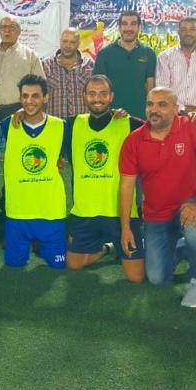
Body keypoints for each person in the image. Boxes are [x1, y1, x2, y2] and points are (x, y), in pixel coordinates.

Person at [119, 87, 196, 308]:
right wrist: (126, 227)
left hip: (191, 203)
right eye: (150, 104)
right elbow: (127, 186)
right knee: (157, 277)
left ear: (176, 109)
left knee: (193, 225)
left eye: (162, 104)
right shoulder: (134, 140)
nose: (154, 110)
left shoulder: (193, 126)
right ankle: (186, 247)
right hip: (157, 214)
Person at [63, 75, 143, 277]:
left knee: (136, 277)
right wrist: (20, 113)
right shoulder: (71, 124)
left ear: (111, 97)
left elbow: (160, 125)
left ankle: (142, 241)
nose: (97, 98)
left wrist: (192, 118)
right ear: (84, 96)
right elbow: (42, 124)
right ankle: (109, 248)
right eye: (92, 93)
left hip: (121, 213)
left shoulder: (128, 123)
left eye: (103, 93)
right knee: (73, 264)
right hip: (85, 212)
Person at [0, 75, 67, 269]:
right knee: (13, 266)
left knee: (58, 267)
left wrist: (115, 113)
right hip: (18, 212)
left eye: (35, 96)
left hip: (51, 211)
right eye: (25, 96)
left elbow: (93, 125)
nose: (29, 101)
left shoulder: (62, 126)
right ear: (20, 98)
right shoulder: (5, 126)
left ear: (46, 97)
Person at [93, 10, 157, 119]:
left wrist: (150, 113)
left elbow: (150, 87)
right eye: (124, 24)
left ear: (139, 27)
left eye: (133, 24)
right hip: (112, 117)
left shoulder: (148, 53)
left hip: (140, 117)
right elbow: (98, 87)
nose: (129, 28)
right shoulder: (105, 53)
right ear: (119, 27)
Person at [0, 17, 45, 121]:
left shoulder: (30, 56)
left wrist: (26, 109)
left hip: (17, 112)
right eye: (3, 27)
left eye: (12, 27)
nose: (7, 30)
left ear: (19, 32)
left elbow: (41, 88)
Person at [155, 17, 196, 114]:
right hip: (172, 115)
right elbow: (163, 89)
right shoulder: (165, 57)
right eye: (184, 29)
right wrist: (181, 108)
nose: (188, 33)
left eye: (192, 29)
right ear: (178, 32)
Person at [42, 28, 93, 121]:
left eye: (72, 42)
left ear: (78, 44)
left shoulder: (89, 65)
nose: (68, 45)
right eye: (65, 41)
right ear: (60, 41)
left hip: (82, 123)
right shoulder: (46, 65)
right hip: (54, 123)